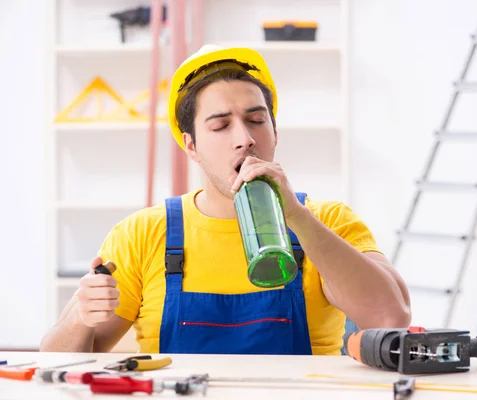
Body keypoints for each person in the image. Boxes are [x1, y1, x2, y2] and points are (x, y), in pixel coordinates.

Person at [40, 44, 412, 355]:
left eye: (256, 120)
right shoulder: (143, 234)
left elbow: (390, 317)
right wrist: (80, 315)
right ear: (192, 146)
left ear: (275, 132)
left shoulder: (327, 220)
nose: (244, 138)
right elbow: (53, 366)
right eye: (220, 125)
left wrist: (296, 217)